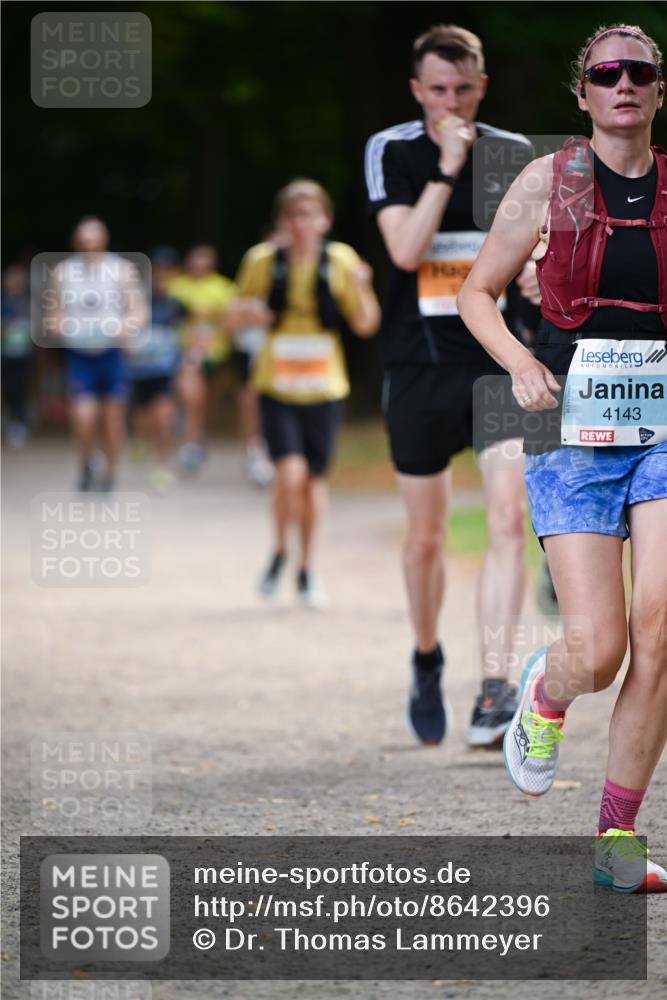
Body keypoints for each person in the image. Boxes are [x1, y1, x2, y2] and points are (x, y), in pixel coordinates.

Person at [458, 24, 667, 891]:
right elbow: (475, 292)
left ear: (658, 90)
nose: (623, 83)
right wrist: (519, 362)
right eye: (605, 73)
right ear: (580, 92)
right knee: (601, 649)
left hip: (661, 422)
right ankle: (548, 689)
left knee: (659, 631)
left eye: (639, 72)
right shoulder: (545, 182)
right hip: (568, 426)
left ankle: (617, 842)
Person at [365, 24, 534, 747]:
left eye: (463, 90)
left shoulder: (516, 154)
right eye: (437, 90)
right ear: (416, 90)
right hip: (418, 366)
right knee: (426, 539)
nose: (451, 102)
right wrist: (445, 165)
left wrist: (531, 269)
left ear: (481, 86)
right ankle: (427, 657)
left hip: (501, 363)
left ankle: (494, 686)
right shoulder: (391, 148)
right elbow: (404, 250)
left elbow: (536, 255)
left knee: (505, 521)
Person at [232, 179, 380, 607]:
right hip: (275, 382)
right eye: (293, 216)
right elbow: (234, 316)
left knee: (314, 480)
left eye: (310, 215)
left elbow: (366, 325)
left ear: (325, 220)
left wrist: (363, 286)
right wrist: (249, 312)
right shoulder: (262, 261)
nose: (302, 224)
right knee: (288, 474)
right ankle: (280, 548)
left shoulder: (341, 260)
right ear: (281, 221)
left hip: (324, 385)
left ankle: (307, 568)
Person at [46, 217, 147, 491]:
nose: (89, 245)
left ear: (104, 240)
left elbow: (138, 311)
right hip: (80, 354)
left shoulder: (122, 270)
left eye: (94, 239)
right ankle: (86, 462)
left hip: (112, 353)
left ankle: (111, 473)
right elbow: (53, 313)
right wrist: (57, 324)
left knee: (113, 418)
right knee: (83, 416)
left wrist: (125, 326)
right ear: (76, 242)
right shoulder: (63, 273)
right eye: (83, 240)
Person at [168, 245, 238, 472]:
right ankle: (190, 443)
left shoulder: (223, 287)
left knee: (207, 401)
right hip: (186, 353)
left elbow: (232, 320)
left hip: (216, 353)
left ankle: (198, 433)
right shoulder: (177, 286)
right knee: (192, 397)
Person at [126, 259, 185, 492]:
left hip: (165, 372)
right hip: (140, 372)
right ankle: (141, 438)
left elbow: (186, 333)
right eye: (157, 274)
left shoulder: (177, 305)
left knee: (164, 419)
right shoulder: (135, 303)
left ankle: (161, 467)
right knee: (143, 419)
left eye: (165, 273)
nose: (161, 279)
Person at [1, 263, 33, 449]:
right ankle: (10, 418)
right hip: (5, 355)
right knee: (8, 388)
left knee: (21, 389)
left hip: (24, 356)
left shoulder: (28, 304)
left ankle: (19, 423)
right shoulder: (3, 303)